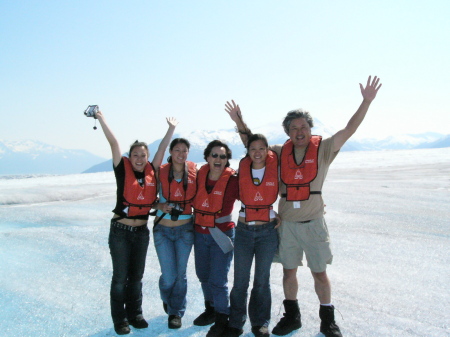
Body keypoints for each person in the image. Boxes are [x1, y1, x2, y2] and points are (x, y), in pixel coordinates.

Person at [225, 75, 382, 337]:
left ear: (310, 129)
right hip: (286, 226)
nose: (299, 131)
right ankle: (292, 316)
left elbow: (349, 130)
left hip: (314, 224)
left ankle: (327, 320)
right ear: (288, 132)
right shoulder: (278, 153)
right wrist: (239, 121)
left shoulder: (325, 149)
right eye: (294, 128)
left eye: (303, 127)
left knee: (319, 274)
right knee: (289, 273)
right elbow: (252, 145)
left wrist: (365, 102)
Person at [95, 110, 177, 335]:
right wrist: (101, 118)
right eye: (136, 155)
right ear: (129, 158)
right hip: (120, 231)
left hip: (141, 232)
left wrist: (171, 129)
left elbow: (161, 150)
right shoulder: (122, 170)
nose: (140, 159)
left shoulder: (152, 169)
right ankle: (120, 319)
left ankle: (135, 314)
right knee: (120, 278)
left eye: (143, 155)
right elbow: (114, 142)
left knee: (137, 278)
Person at [223, 132, 281, 337]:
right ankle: (236, 322)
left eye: (261, 149)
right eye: (253, 149)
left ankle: (260, 323)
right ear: (248, 151)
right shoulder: (242, 170)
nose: (257, 152)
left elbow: (290, 191)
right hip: (244, 231)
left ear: (268, 151)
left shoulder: (276, 169)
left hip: (267, 232)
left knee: (262, 280)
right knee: (240, 280)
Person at [192, 140, 239, 337]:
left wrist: (273, 214)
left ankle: (222, 318)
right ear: (207, 157)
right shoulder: (198, 176)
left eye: (222, 156)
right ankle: (210, 309)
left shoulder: (234, 180)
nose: (218, 159)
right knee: (203, 276)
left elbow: (253, 196)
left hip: (221, 235)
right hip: (199, 234)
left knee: (218, 280)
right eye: (214, 155)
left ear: (227, 159)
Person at [153, 138, 196, 329]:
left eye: (184, 150)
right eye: (177, 150)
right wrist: (159, 205)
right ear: (170, 152)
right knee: (168, 276)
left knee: (181, 274)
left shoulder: (195, 172)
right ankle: (168, 298)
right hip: (162, 229)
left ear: (188, 153)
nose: (180, 154)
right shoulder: (161, 172)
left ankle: (176, 312)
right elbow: (148, 199)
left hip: (185, 229)